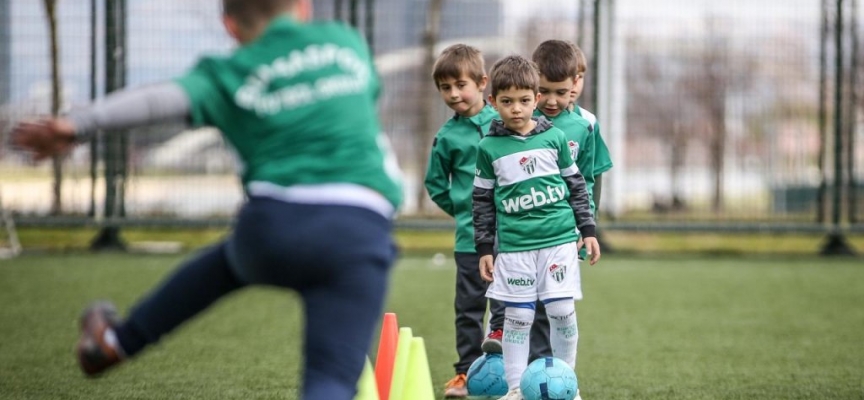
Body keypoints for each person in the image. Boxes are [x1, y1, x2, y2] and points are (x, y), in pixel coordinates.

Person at [11, 1, 402, 399]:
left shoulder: (225, 72)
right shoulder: (345, 42)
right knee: (331, 379)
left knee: (228, 265)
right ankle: (120, 340)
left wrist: (78, 124)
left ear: (230, 26)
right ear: (304, 7)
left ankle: (116, 342)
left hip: (270, 224)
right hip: (358, 227)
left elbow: (158, 100)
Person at [473, 54, 600, 400]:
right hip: (514, 249)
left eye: (525, 100)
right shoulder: (488, 148)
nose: (516, 109)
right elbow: (482, 202)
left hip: (558, 241)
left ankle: (568, 385)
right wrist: (485, 248)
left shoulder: (555, 138)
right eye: (507, 101)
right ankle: (515, 389)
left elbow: (576, 185)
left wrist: (588, 229)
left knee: (561, 311)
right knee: (516, 318)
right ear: (492, 102)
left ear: (536, 99)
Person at [423, 43, 505, 399]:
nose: (454, 93)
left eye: (461, 84)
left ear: (483, 82)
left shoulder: (504, 124)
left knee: (510, 308)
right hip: (469, 241)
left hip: (513, 238)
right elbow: (436, 185)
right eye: (445, 87)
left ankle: (512, 373)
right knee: (469, 310)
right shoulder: (446, 137)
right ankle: (465, 375)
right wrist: (462, 209)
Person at [568, 42, 614, 217]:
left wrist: (591, 216)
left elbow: (596, 172)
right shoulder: (530, 120)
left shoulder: (588, 121)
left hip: (577, 219)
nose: (574, 84)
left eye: (579, 77)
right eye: (569, 78)